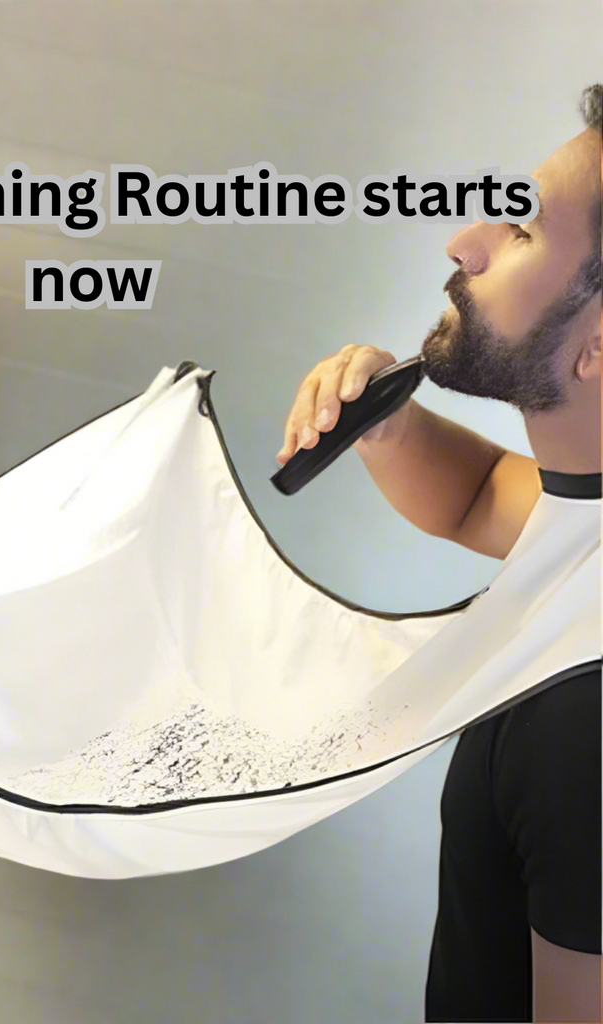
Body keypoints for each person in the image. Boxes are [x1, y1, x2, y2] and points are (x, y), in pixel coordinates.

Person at [276, 86, 602, 1022]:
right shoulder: (585, 519)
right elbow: (477, 499)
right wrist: (386, 429)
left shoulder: (585, 728)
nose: (466, 239)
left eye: (526, 235)